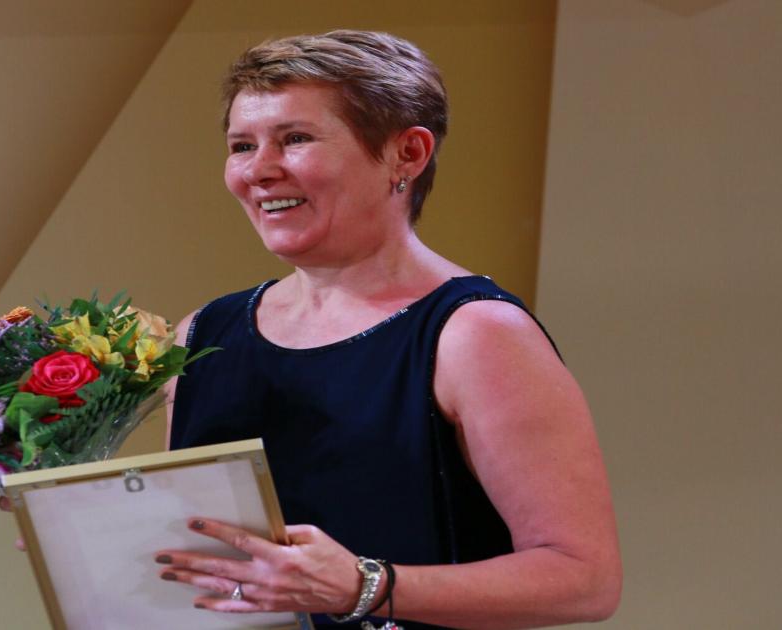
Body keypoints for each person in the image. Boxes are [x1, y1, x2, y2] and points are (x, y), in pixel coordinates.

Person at [153, 30, 622, 630]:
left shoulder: (476, 333)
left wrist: (363, 586)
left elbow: (585, 580)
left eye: (295, 139)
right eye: (242, 145)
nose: (260, 170)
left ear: (408, 154)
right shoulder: (201, 334)